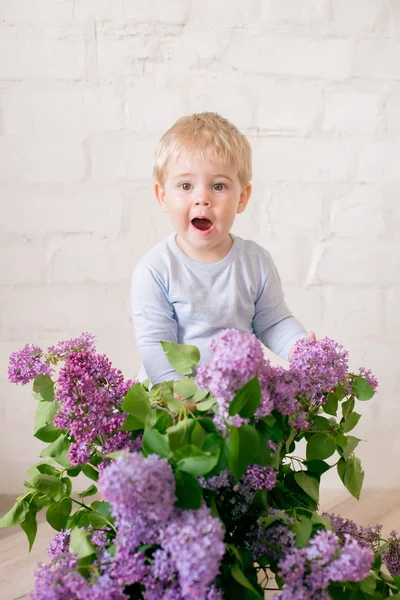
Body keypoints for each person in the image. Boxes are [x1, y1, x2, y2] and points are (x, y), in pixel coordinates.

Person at [131, 112, 314, 385]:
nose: (202, 198)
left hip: (234, 399)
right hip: (173, 405)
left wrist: (301, 348)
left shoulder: (255, 263)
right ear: (163, 197)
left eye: (218, 186)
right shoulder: (156, 269)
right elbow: (156, 346)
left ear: (242, 198)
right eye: (185, 185)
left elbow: (273, 322)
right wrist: (176, 395)